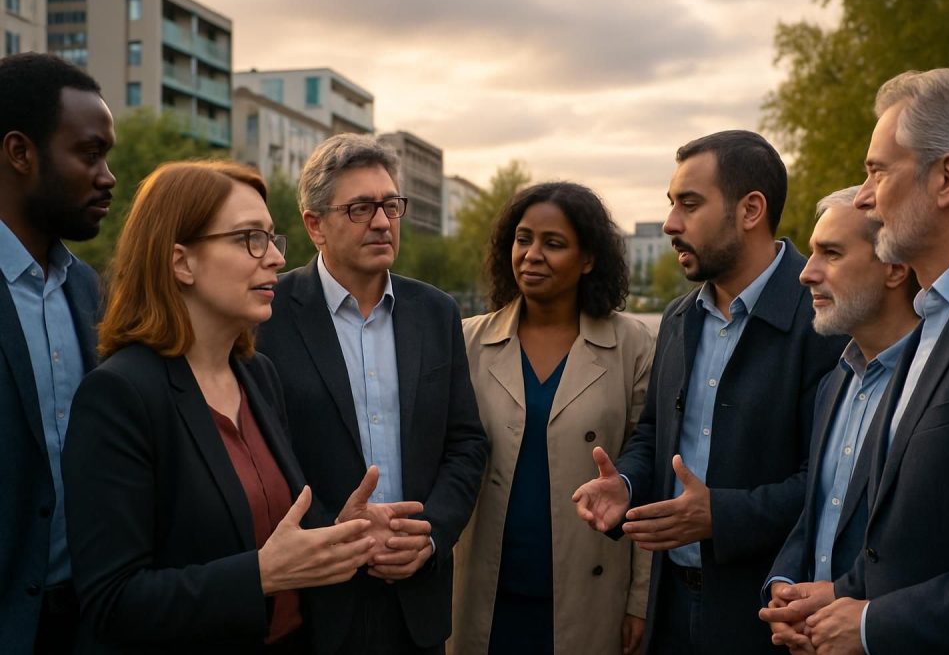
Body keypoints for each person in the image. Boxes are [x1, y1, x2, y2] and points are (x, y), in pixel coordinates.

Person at [62, 160, 381, 653]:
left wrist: (339, 534)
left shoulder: (258, 376)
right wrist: (260, 575)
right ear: (180, 262)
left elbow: (272, 528)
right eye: (249, 238)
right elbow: (113, 602)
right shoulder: (120, 395)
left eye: (273, 238)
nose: (274, 257)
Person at [573, 130, 846, 654]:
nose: (672, 224)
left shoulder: (825, 316)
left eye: (690, 205)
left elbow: (835, 483)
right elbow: (656, 431)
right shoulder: (679, 317)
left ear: (750, 210)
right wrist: (626, 485)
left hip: (771, 617)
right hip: (670, 608)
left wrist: (719, 515)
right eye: (671, 204)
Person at [792, 69, 949, 653]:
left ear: (946, 177)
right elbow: (929, 536)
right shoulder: (935, 317)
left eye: (877, 170)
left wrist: (875, 625)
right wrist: (844, 593)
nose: (864, 197)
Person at [256, 134, 488, 654]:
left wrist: (428, 534)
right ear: (314, 224)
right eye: (360, 208)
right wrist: (331, 534)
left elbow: (466, 443)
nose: (382, 222)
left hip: (417, 600)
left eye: (390, 205)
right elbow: (258, 457)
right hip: (313, 603)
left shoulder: (436, 313)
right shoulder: (266, 315)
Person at [453, 182, 654, 655]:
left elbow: (650, 474)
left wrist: (641, 599)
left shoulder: (633, 346)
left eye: (554, 243)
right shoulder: (465, 342)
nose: (532, 255)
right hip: (484, 590)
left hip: (591, 593)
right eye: (523, 239)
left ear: (588, 259)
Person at [757, 186, 919, 652]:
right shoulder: (836, 382)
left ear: (895, 267)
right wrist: (784, 591)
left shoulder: (938, 382)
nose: (806, 273)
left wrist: (853, 607)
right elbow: (821, 509)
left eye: (831, 253)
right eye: (811, 254)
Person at [0, 52, 115, 654]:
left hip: (86, 621)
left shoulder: (86, 289)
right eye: (89, 153)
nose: (108, 176)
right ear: (20, 152)